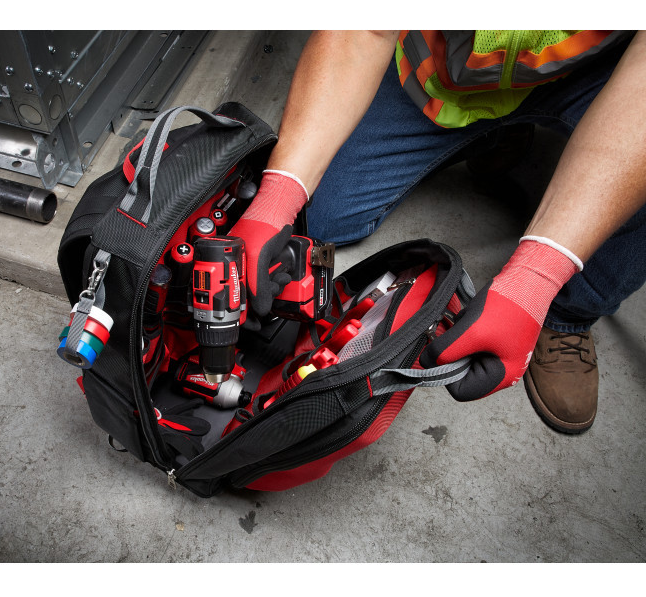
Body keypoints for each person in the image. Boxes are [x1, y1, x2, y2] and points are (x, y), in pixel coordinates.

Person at [229, 30, 646, 434]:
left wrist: (536, 279)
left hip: (591, 76)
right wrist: (277, 196)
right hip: (445, 75)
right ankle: (491, 131)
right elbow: (365, 30)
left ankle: (568, 316)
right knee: (319, 217)